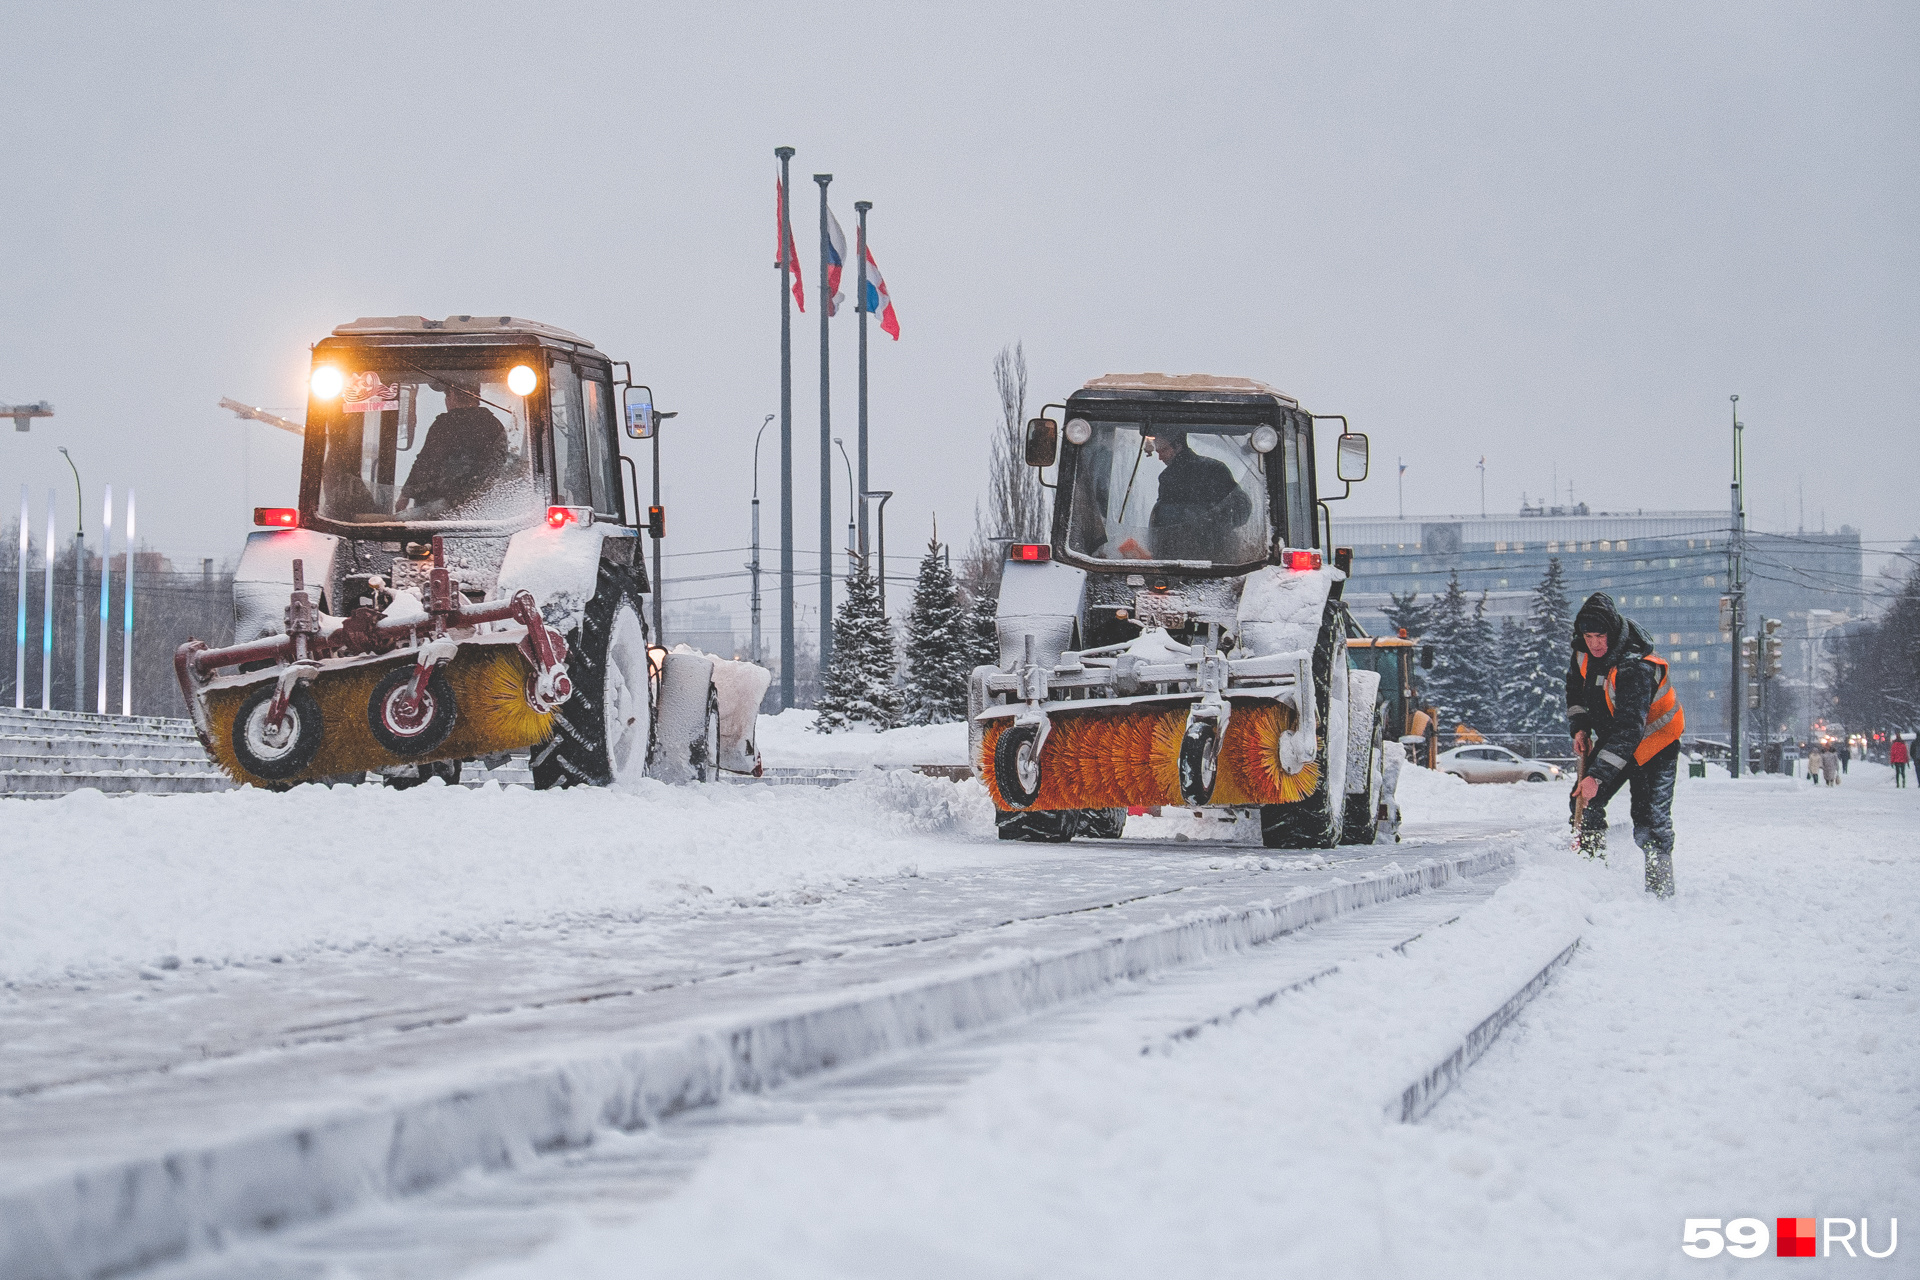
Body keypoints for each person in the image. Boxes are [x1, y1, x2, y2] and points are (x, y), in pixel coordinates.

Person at [1566, 592, 1684, 897]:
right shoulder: (1582, 653)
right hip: (1617, 734)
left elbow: (1631, 730)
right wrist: (1580, 728)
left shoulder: (1635, 666)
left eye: (1600, 635)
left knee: (1650, 818)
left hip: (1655, 741)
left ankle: (1660, 891)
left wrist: (1598, 775)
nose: (1595, 643)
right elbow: (1575, 693)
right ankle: (1590, 874)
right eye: (1588, 635)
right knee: (1584, 801)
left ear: (1613, 631)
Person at [400, 385, 512, 514]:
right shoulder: (495, 425)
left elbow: (426, 463)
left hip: (444, 506)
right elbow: (499, 463)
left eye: (447, 396)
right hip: (483, 507)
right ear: (477, 398)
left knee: (391, 522)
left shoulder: (447, 424)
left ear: (452, 395)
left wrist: (405, 494)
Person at [1146, 430, 1252, 562]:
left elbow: (1164, 523)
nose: (1160, 457)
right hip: (1219, 556)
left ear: (1178, 446)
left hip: (1180, 556)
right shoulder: (1215, 467)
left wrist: (1208, 521)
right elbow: (1242, 508)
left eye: (1163, 450)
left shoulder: (1172, 477)